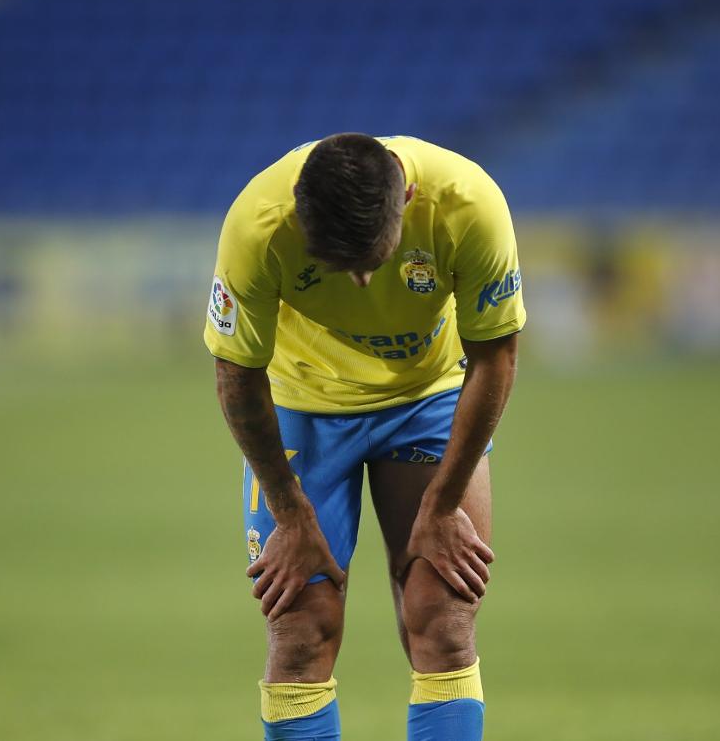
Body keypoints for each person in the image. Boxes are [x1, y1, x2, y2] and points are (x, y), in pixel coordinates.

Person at [204, 133, 525, 740]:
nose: (359, 280)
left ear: (408, 198)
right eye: (338, 264)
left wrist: (443, 504)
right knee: (300, 632)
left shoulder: (470, 204)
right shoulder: (257, 224)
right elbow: (236, 375)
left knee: (444, 621)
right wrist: (289, 511)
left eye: (374, 259)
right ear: (299, 214)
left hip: (427, 396)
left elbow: (496, 357)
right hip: (304, 403)